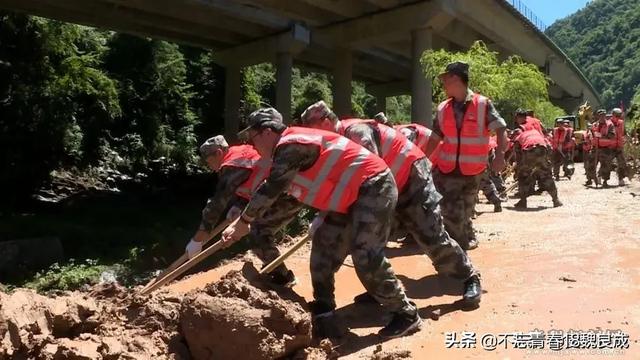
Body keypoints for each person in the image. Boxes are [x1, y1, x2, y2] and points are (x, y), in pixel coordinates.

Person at [221, 108, 421, 339]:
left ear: (266, 132)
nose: (252, 145)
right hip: (348, 197)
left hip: (373, 187)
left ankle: (405, 314)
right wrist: (244, 217)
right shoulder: (286, 151)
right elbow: (280, 194)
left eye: (253, 137)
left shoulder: (291, 144)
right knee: (323, 250)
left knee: (365, 253)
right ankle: (324, 306)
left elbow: (272, 187)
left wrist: (245, 221)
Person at [299, 101, 482, 306]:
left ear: (324, 122)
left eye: (310, 129)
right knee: (372, 241)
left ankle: (469, 277)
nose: (311, 136)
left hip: (412, 180)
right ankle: (381, 289)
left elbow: (370, 175)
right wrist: (323, 215)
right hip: (386, 188)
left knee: (431, 236)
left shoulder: (356, 133)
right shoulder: (335, 142)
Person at [185, 136, 301, 286]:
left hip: (286, 195)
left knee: (257, 232)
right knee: (253, 229)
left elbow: (217, 204)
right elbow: (254, 180)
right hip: (279, 193)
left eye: (208, 161)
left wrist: (197, 239)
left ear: (219, 153)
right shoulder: (240, 153)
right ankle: (273, 266)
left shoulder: (233, 164)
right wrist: (239, 206)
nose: (209, 165)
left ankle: (283, 277)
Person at [423, 61, 508, 250]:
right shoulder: (443, 108)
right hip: (447, 171)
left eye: (445, 79)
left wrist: (500, 156)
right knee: (451, 215)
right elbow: (435, 137)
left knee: (466, 211)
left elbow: (501, 128)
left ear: (455, 78)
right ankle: (459, 261)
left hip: (473, 171)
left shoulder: (483, 104)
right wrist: (421, 159)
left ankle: (466, 236)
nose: (443, 84)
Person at [512, 129, 562, 208]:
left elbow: (518, 155)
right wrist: (547, 161)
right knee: (547, 176)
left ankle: (523, 201)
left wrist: (520, 167)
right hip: (542, 151)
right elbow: (549, 147)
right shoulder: (538, 133)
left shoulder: (519, 137)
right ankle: (556, 200)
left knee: (523, 177)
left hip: (529, 152)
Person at [593, 109, 617, 187]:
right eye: (600, 115)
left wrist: (601, 135)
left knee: (606, 165)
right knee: (591, 165)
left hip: (606, 148)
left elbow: (612, 135)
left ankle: (605, 181)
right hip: (595, 148)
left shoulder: (610, 124)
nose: (602, 117)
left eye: (603, 115)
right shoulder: (594, 125)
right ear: (597, 116)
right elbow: (591, 135)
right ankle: (593, 178)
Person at [611, 108, 628, 186]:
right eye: (617, 115)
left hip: (619, 146)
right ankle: (600, 176)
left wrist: (626, 139)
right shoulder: (608, 123)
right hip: (610, 147)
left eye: (619, 115)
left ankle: (621, 179)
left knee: (622, 163)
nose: (618, 117)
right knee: (606, 163)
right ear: (613, 115)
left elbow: (624, 133)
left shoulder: (621, 123)